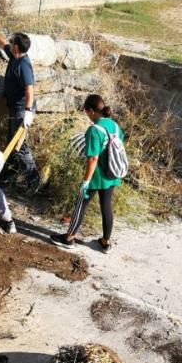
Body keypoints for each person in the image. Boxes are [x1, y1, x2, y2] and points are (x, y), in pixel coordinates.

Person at [50, 94, 125, 254]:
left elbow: (93, 159)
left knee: (81, 204)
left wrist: (85, 181)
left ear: (91, 111)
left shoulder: (94, 130)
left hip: (96, 175)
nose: (86, 115)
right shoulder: (115, 125)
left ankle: (69, 239)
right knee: (106, 207)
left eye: (86, 112)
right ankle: (105, 243)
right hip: (113, 173)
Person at [0, 28, 40, 191]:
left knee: (20, 146)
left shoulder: (23, 65)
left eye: (12, 42)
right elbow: (1, 43)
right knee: (11, 142)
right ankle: (9, 176)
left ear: (17, 47)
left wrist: (28, 112)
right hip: (16, 108)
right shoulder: (14, 56)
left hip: (23, 110)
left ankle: (34, 180)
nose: (10, 43)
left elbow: (29, 89)